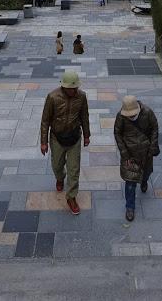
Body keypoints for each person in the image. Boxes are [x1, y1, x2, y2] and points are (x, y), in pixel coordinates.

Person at [40, 71, 90, 215]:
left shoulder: (82, 96)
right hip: (57, 138)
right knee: (57, 165)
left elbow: (84, 116)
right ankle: (60, 177)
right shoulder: (52, 97)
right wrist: (44, 142)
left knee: (74, 169)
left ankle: (71, 197)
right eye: (71, 88)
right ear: (64, 87)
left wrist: (87, 135)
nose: (74, 91)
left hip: (74, 137)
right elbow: (45, 121)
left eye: (76, 88)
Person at [114, 95, 159, 222]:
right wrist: (125, 154)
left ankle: (144, 181)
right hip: (130, 155)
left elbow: (154, 128)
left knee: (146, 173)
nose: (130, 116)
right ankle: (130, 207)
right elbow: (117, 133)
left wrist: (153, 146)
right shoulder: (121, 116)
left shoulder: (148, 112)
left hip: (146, 152)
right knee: (130, 182)